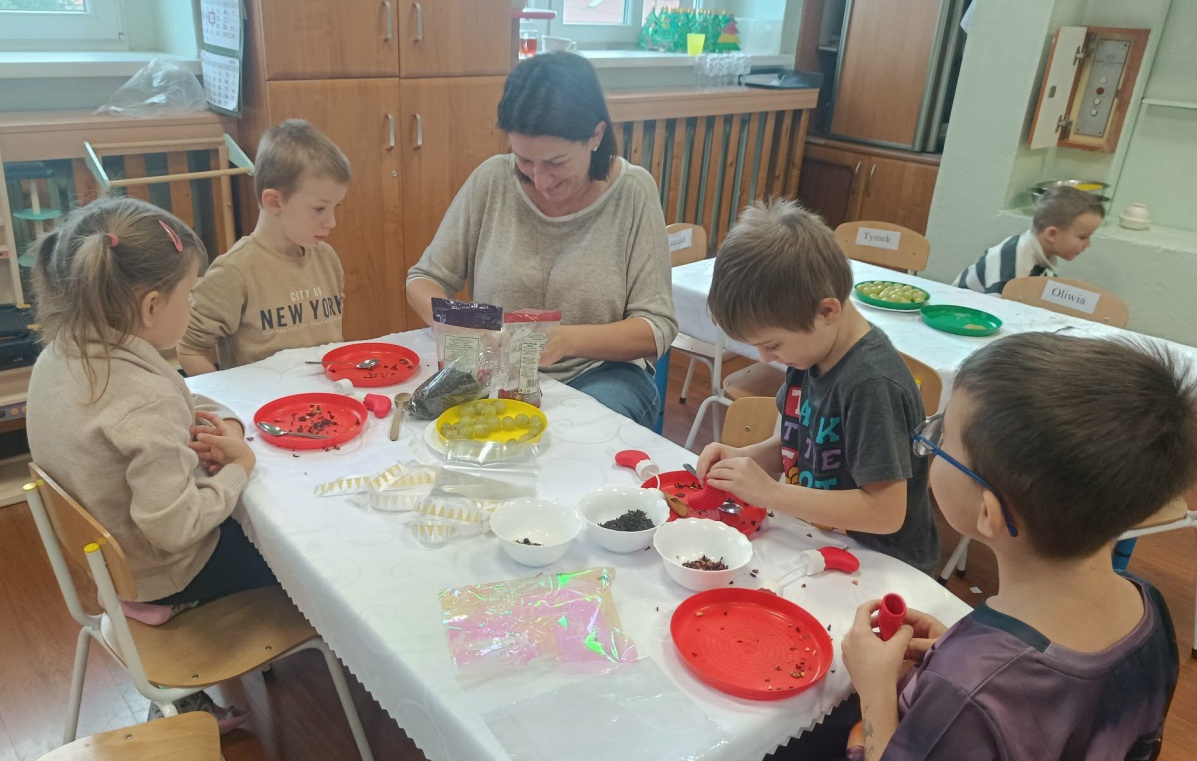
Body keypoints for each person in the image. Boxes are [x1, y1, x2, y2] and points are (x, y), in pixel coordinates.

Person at [838, 332, 1195, 761]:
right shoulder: (1150, 605)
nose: (931, 442)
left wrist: (875, 692)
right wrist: (959, 653)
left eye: (943, 440)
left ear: (989, 512)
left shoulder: (967, 690)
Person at [26, 197, 278, 732]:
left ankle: (152, 613)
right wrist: (240, 465)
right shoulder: (143, 397)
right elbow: (175, 527)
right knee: (293, 550)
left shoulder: (63, 355)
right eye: (191, 292)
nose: (193, 303)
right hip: (164, 570)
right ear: (151, 306)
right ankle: (178, 618)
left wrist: (226, 425)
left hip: (109, 561)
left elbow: (177, 400)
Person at [405, 52, 677, 429]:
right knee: (425, 427)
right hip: (497, 374)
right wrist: (460, 323)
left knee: (570, 438)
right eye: (524, 160)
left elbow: (656, 326)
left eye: (556, 162)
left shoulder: (633, 192)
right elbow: (423, 279)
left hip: (600, 373)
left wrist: (565, 340)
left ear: (596, 135)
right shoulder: (492, 181)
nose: (540, 179)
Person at [696, 199, 938, 574]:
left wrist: (772, 492)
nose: (765, 358)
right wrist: (744, 459)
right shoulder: (809, 353)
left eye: (772, 344)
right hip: (821, 539)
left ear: (826, 311)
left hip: (882, 565)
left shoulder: (873, 384)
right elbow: (800, 442)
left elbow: (886, 512)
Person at [177, 119, 351, 375]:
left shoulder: (326, 258)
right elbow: (190, 349)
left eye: (336, 207)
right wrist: (228, 397)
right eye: (319, 208)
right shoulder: (234, 271)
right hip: (265, 400)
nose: (332, 222)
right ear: (274, 201)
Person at [952, 186, 1104, 295]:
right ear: (1052, 234)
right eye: (1083, 237)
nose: (1088, 245)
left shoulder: (1040, 255)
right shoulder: (1013, 262)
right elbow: (999, 312)